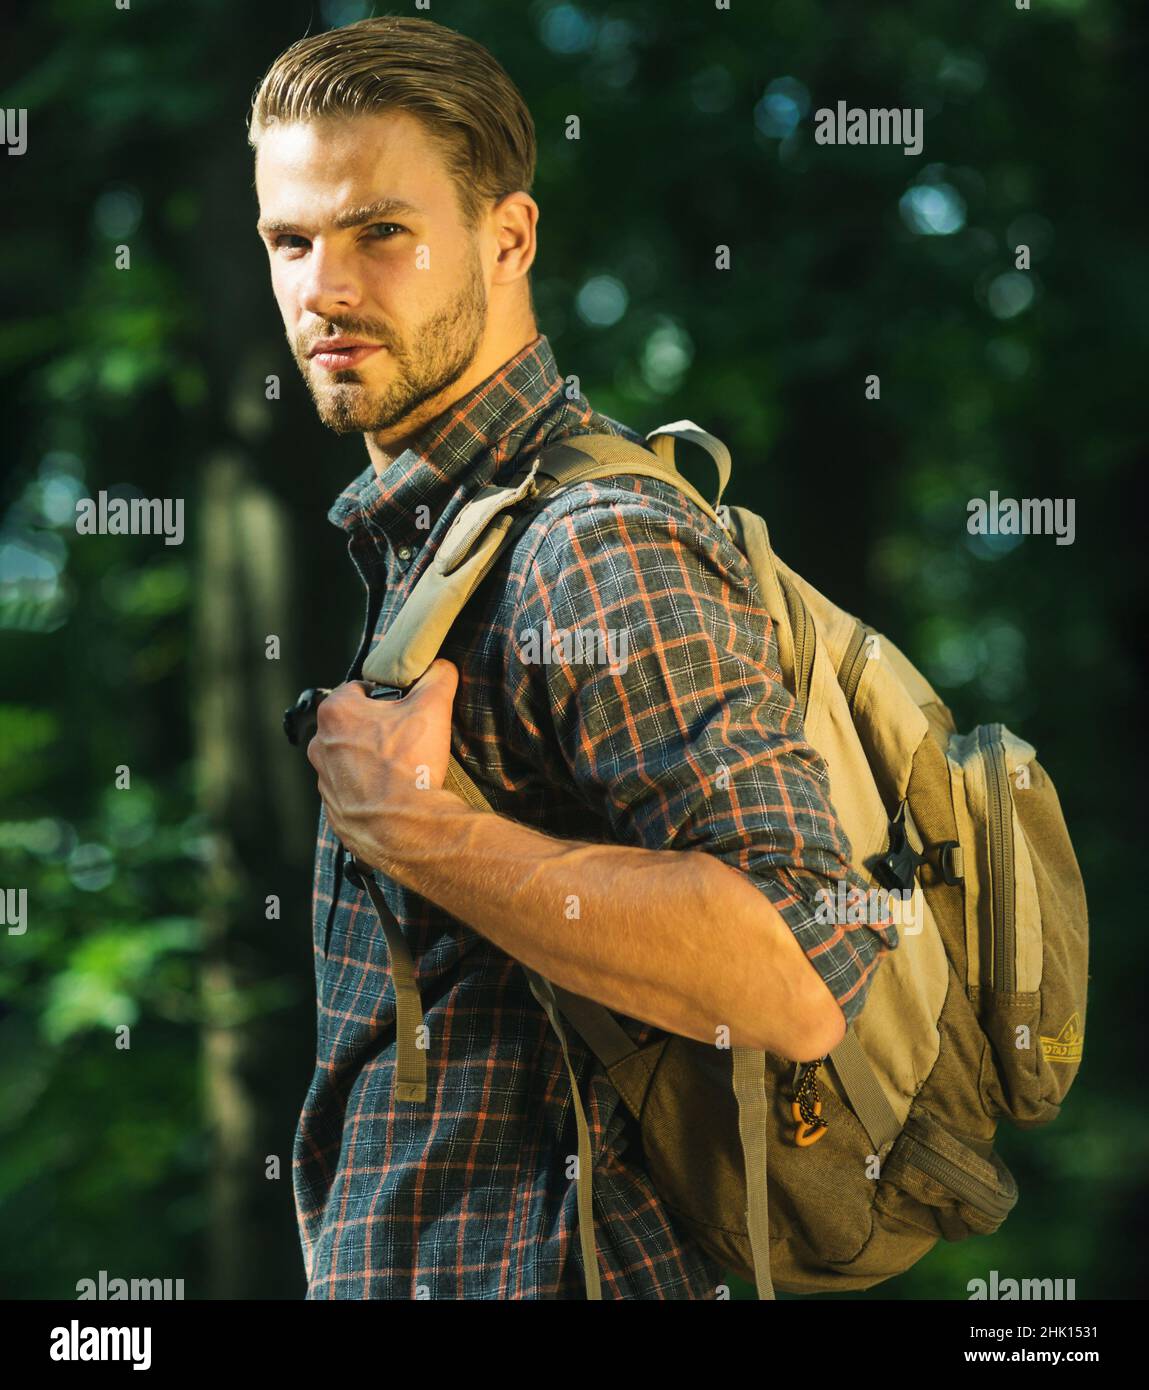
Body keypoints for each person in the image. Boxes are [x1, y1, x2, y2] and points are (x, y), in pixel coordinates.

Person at [249, 13, 896, 1300]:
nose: (325, 286)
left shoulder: (588, 543)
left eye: (383, 230)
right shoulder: (442, 545)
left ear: (508, 239)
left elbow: (802, 969)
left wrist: (426, 834)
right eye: (291, 240)